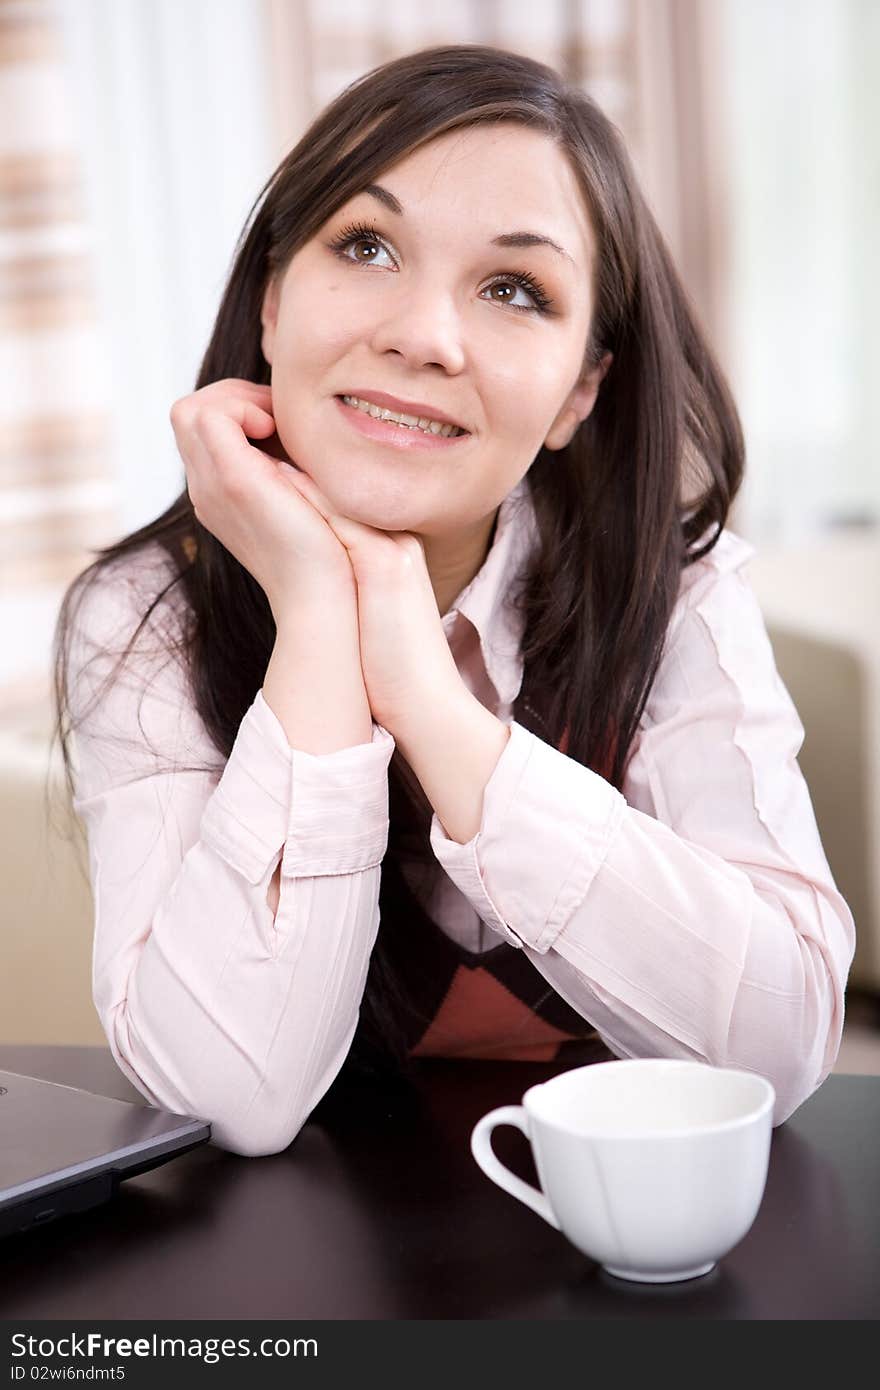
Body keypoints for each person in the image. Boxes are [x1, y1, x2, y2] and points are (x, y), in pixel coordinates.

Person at [52, 44, 855, 1158]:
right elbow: (235, 1096)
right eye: (366, 246)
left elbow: (782, 1044)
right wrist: (318, 618)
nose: (423, 337)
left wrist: (431, 702)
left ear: (580, 389)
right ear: (273, 302)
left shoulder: (675, 595)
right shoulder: (145, 615)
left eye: (513, 289)